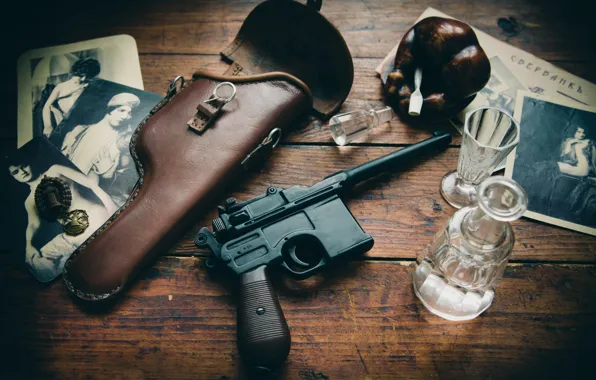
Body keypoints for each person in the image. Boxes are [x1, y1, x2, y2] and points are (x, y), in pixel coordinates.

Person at [8, 160, 117, 282]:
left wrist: (110, 205)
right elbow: (33, 224)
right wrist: (29, 245)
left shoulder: (55, 170)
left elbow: (91, 184)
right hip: (74, 235)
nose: (22, 172)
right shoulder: (29, 202)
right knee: (36, 262)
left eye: (24, 165)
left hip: (94, 216)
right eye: (16, 172)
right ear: (13, 177)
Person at [60, 93, 140, 205]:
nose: (125, 116)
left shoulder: (123, 143)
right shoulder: (78, 131)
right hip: (63, 187)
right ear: (110, 109)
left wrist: (108, 175)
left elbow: (129, 182)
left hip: (88, 198)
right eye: (121, 111)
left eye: (129, 113)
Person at [42, 58, 101, 137]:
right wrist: (48, 126)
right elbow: (46, 106)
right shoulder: (61, 87)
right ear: (75, 72)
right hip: (65, 124)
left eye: (87, 77)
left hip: (84, 124)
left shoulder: (88, 86)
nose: (83, 79)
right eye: (81, 76)